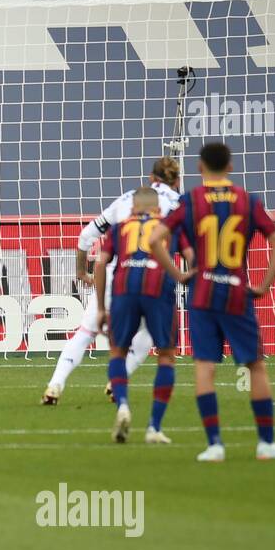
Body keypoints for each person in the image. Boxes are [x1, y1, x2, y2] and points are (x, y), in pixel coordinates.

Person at [149, 142, 275, 462]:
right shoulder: (247, 201)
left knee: (204, 367)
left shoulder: (190, 201)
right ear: (230, 166)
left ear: (200, 168)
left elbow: (154, 239)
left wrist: (179, 273)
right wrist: (264, 285)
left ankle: (214, 444)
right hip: (237, 293)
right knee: (255, 365)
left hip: (201, 293)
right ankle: (266, 443)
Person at [43, 157, 182, 405]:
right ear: (177, 181)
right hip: (155, 280)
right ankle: (117, 382)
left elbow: (87, 236)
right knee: (149, 335)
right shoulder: (181, 205)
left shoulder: (129, 198)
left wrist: (80, 272)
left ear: (151, 179)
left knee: (87, 332)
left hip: (118, 276)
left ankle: (55, 384)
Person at [94, 188, 192, 444]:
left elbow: (100, 263)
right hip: (158, 288)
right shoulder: (170, 226)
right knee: (167, 356)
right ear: (158, 208)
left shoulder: (119, 227)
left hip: (124, 289)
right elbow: (192, 259)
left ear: (133, 207)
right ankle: (154, 428)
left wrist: (101, 308)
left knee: (117, 351)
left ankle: (123, 406)